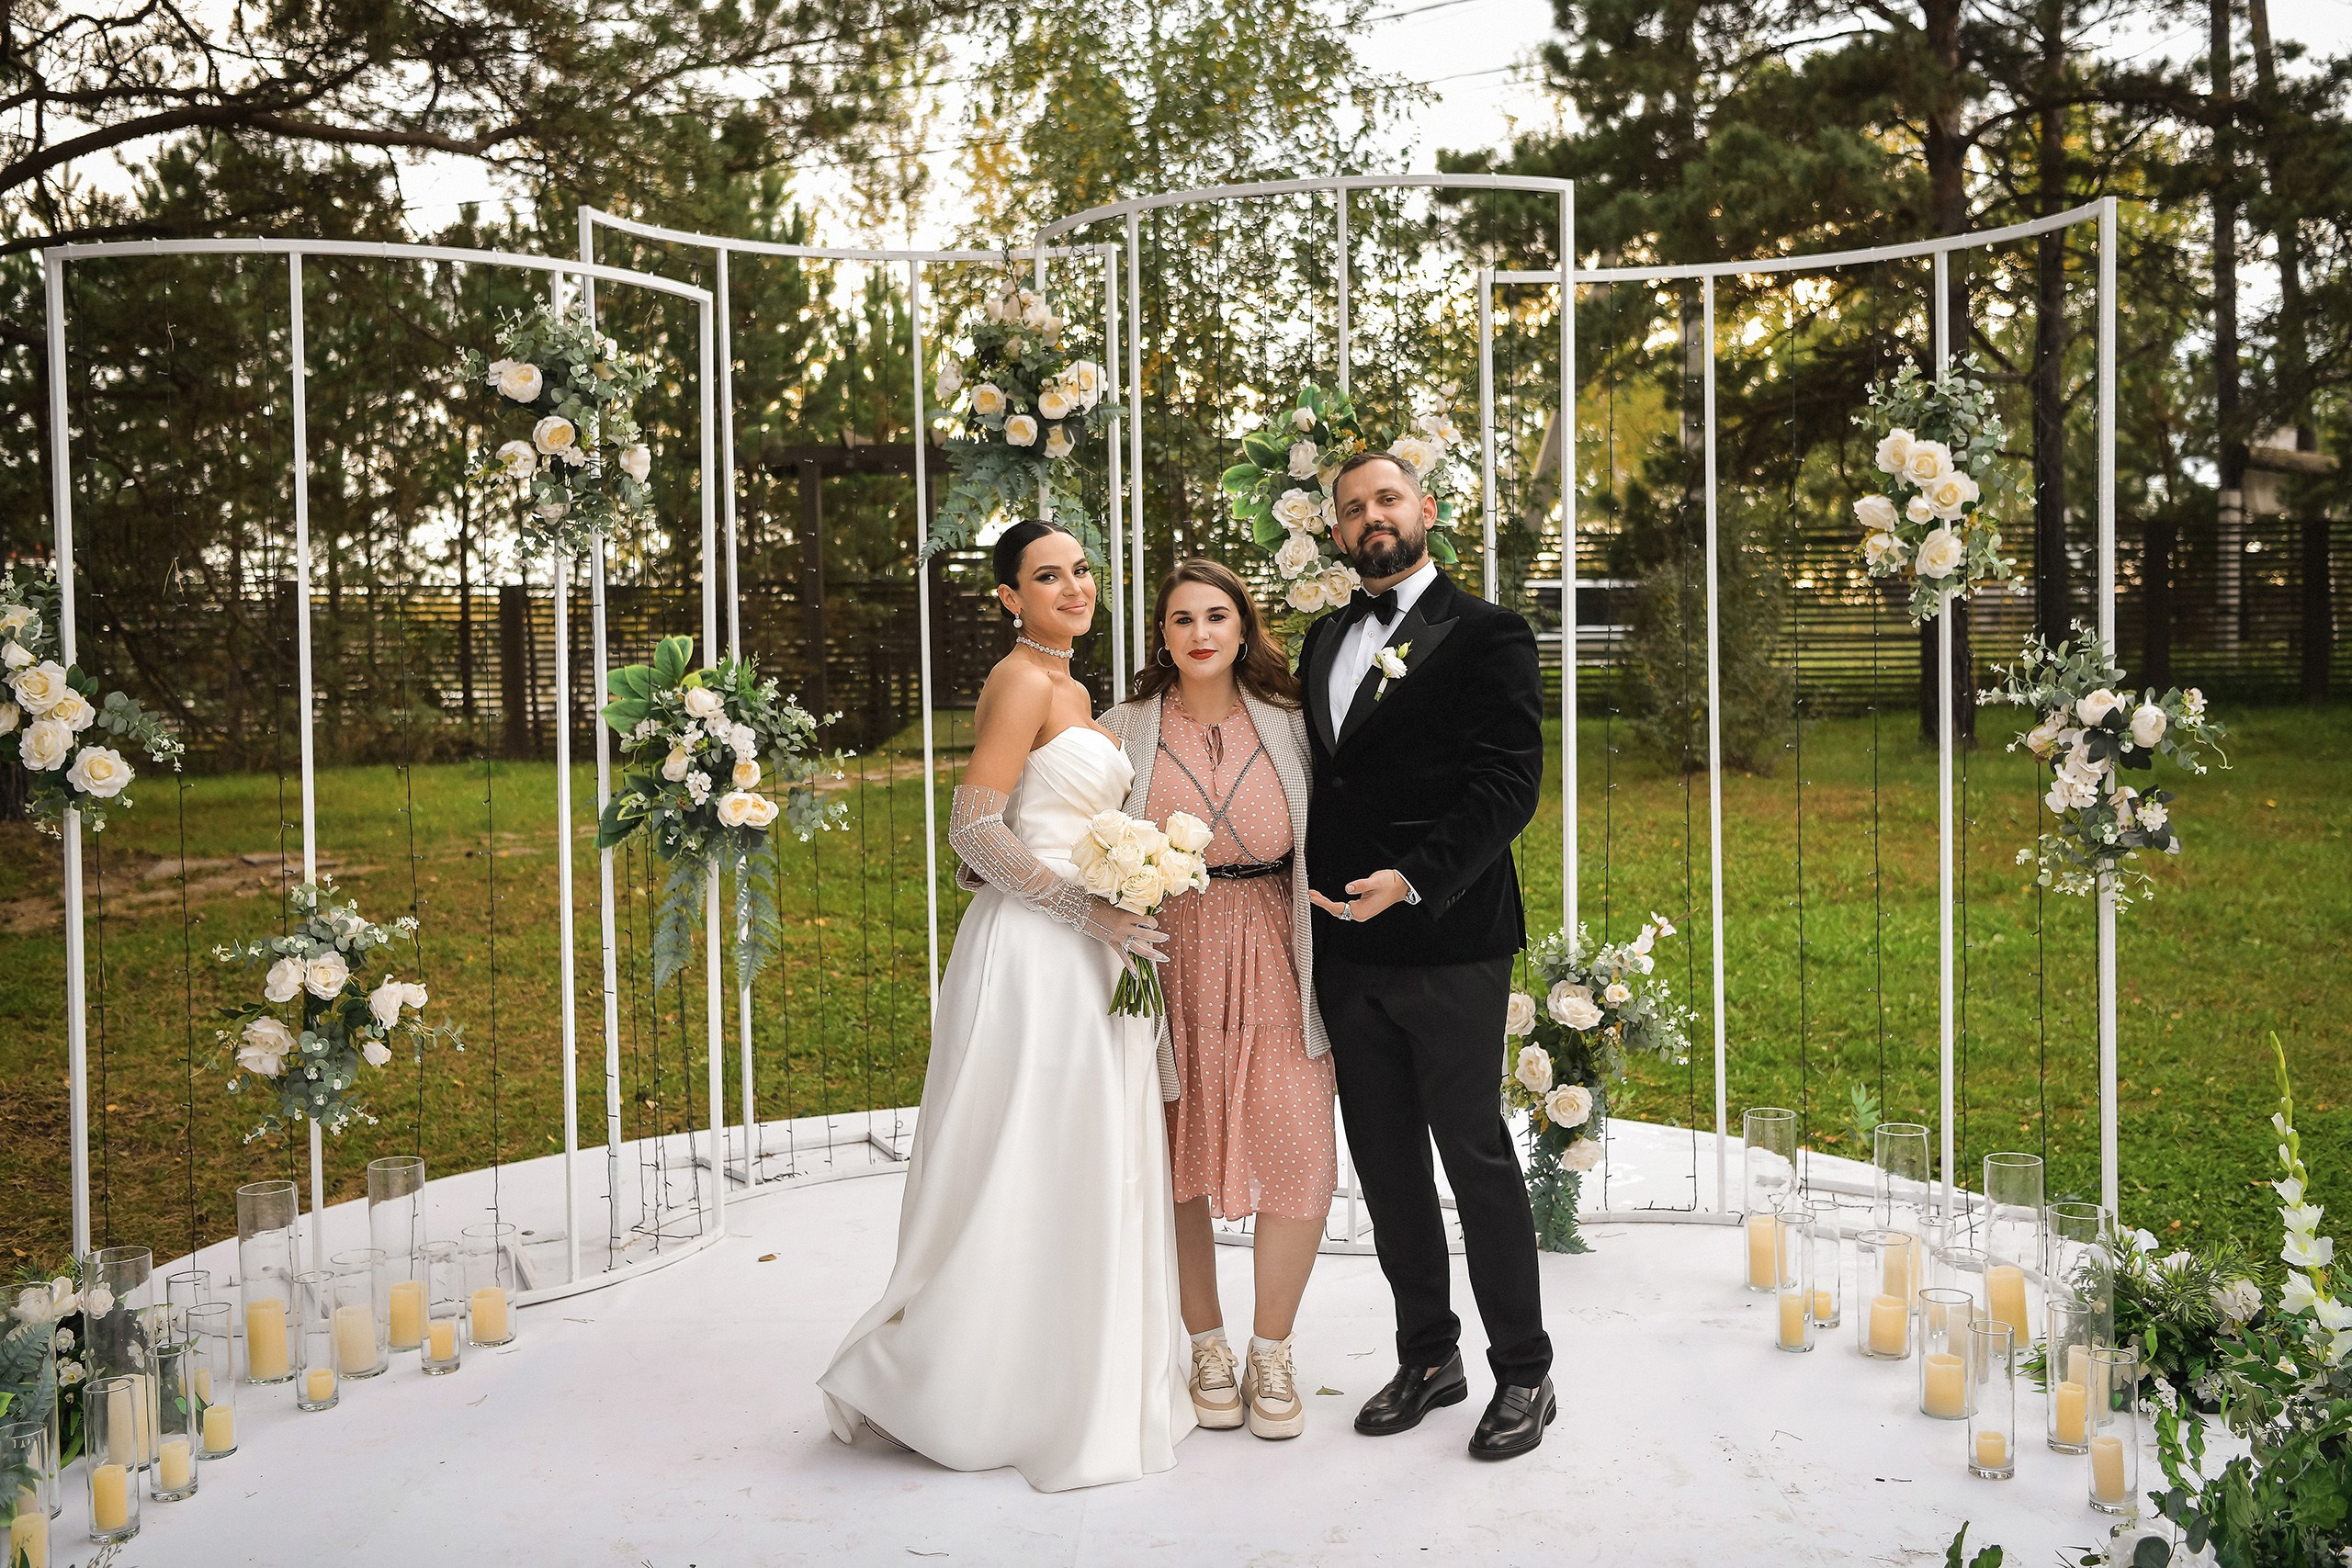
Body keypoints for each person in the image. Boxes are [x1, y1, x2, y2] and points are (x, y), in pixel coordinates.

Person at [819, 519, 1195, 1492]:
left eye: (1080, 571)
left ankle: (1071, 1371)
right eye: (1046, 576)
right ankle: (973, 1382)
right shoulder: (1021, 681)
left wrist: (1131, 884)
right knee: (1022, 1153)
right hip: (1037, 953)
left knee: (1082, 1154)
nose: (1072, 587)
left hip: (1096, 947)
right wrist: (1085, 905)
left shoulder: (1076, 688)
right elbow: (975, 828)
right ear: (1007, 598)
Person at [1298, 450, 1555, 1461]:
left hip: (1448, 937)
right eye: (1353, 507)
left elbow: (1507, 785)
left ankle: (1525, 1373)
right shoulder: (1323, 638)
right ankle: (1428, 1357)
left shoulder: (1489, 633)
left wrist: (1410, 878)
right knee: (1386, 1159)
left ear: (1426, 511)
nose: (1372, 517)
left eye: (1387, 500)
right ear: (1336, 529)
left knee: (1473, 1153)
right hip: (1344, 946)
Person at [1099, 560, 1332, 1442]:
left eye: (1217, 615)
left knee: (1300, 1143)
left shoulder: (1293, 725)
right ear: (1160, 635)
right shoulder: (1120, 729)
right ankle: (1207, 1342)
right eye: (1180, 618)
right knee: (1174, 1150)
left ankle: (1272, 1348)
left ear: (1243, 629)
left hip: (1278, 950)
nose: (1199, 632)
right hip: (1167, 959)